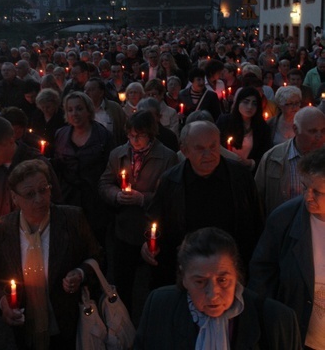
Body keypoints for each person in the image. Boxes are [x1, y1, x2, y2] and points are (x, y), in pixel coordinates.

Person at [0, 159, 102, 350]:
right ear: (14, 198)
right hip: (24, 328)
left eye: (43, 189)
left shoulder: (72, 219)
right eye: (29, 194)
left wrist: (81, 273)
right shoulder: (2, 230)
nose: (39, 199)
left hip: (68, 325)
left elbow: (99, 257)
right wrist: (3, 303)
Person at [135, 227, 302, 349]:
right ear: (183, 277)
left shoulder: (277, 321)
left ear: (236, 274)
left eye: (222, 280)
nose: (213, 294)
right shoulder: (159, 308)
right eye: (200, 282)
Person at [141, 121, 263, 288]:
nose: (209, 154)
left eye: (213, 147)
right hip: (188, 274)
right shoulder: (170, 181)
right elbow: (154, 219)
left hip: (233, 272)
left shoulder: (240, 177)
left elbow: (256, 222)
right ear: (185, 150)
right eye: (200, 148)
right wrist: (148, 244)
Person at [98, 110, 178, 312]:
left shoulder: (167, 157)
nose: (134, 140)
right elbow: (104, 183)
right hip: (124, 229)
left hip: (151, 230)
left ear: (150, 134)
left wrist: (143, 198)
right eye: (131, 135)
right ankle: (123, 323)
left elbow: (169, 196)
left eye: (139, 135)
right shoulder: (118, 154)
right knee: (123, 280)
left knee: (154, 283)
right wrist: (116, 195)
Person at [249, 146, 325, 349]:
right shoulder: (284, 219)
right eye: (305, 187)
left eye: (317, 192)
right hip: (300, 337)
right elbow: (262, 274)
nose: (308, 197)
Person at [52, 91, 112, 245]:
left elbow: (110, 168)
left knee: (95, 241)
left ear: (88, 110)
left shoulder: (102, 135)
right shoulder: (61, 134)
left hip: (95, 200)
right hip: (68, 198)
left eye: (79, 108)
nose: (74, 114)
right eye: (70, 110)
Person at [255, 106, 325, 217]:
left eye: (323, 130)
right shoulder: (273, 158)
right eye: (313, 131)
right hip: (282, 227)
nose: (320, 137)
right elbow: (257, 197)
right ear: (296, 129)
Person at [216, 86, 271, 173]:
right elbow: (215, 144)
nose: (250, 107)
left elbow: (266, 155)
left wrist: (250, 162)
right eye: (246, 102)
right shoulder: (225, 121)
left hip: (249, 174)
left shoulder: (263, 128)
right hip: (225, 170)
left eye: (254, 103)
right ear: (238, 103)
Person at [84, 77, 127, 148]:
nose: (86, 93)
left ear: (101, 92)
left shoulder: (114, 108)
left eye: (91, 90)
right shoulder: (82, 111)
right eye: (85, 89)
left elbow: (123, 131)